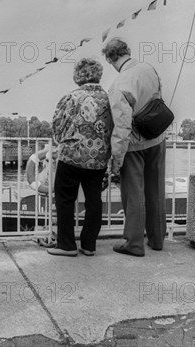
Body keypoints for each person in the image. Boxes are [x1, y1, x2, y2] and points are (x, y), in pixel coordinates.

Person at [102, 37, 166, 257]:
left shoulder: (119, 85)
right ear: (128, 51)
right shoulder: (149, 68)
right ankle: (157, 240)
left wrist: (116, 162)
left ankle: (134, 243)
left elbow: (121, 127)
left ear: (110, 59)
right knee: (156, 190)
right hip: (157, 139)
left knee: (134, 195)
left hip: (135, 145)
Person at [47, 58, 112, 257]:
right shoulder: (108, 99)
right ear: (98, 74)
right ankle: (89, 245)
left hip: (72, 156)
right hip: (98, 157)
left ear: (78, 76)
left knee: (65, 198)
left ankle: (66, 244)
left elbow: (57, 126)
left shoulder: (70, 97)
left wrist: (62, 141)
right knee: (94, 200)